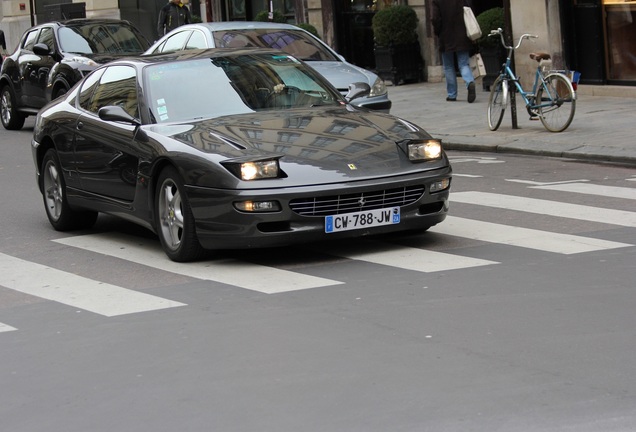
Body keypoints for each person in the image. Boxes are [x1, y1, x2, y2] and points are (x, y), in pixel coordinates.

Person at [432, 0, 477, 103]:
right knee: (463, 64)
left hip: (446, 35)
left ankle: (452, 94)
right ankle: (469, 81)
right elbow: (470, 11)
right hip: (462, 35)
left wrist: (437, 31)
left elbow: (435, 18)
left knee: (448, 66)